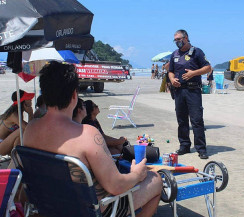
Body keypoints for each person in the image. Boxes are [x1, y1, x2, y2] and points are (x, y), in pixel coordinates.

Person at [23, 61, 162, 217]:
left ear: (44, 94)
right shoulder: (87, 134)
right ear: (74, 95)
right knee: (155, 179)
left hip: (48, 205)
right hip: (90, 210)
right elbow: (116, 186)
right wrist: (137, 174)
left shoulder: (31, 129)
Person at [168, 29, 211, 159]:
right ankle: (184, 146)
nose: (177, 42)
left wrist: (193, 73)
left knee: (197, 120)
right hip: (179, 91)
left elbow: (208, 68)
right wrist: (171, 79)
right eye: (175, 40)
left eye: (179, 39)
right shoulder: (174, 54)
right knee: (181, 120)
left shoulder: (196, 51)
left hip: (193, 91)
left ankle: (201, 149)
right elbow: (170, 71)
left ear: (186, 38)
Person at [0, 90, 34, 155]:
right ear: (23, 101)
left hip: (5, 143)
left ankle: (16, 158)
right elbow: (29, 129)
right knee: (22, 129)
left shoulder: (18, 112)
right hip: (1, 145)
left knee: (20, 137)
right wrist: (30, 113)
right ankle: (16, 158)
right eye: (28, 98)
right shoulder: (14, 115)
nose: (31, 100)